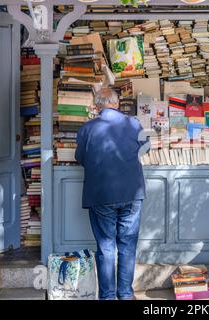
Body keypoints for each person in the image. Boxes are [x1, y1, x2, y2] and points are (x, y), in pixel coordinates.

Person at [75, 88, 149, 300]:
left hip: (102, 194)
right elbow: (147, 149)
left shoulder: (87, 128)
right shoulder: (134, 123)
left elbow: (80, 157)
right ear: (117, 103)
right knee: (127, 245)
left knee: (106, 247)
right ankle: (125, 294)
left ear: (97, 105)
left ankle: (107, 297)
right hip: (132, 192)